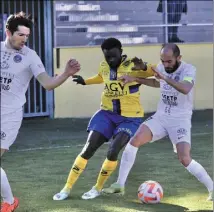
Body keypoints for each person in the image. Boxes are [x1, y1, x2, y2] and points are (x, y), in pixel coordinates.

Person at [102, 43, 213, 201]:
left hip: (180, 120)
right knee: (134, 141)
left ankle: (212, 188)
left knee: (184, 158)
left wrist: (165, 77)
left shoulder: (189, 70)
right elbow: (157, 83)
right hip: (161, 117)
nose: (165, 64)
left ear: (178, 58)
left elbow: (185, 88)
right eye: (163, 61)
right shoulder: (161, 68)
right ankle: (120, 185)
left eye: (169, 61)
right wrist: (135, 78)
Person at [53, 37, 155, 201]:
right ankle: (66, 188)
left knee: (113, 150)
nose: (110, 60)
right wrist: (85, 81)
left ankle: (97, 188)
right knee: (88, 148)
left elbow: (153, 71)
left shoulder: (132, 65)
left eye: (113, 56)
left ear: (121, 52)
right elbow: (101, 77)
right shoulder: (104, 66)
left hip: (130, 118)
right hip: (106, 114)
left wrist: (143, 66)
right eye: (107, 56)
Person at [1, 12, 80, 212]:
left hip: (9, 117)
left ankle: (9, 202)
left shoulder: (30, 56)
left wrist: (66, 73)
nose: (24, 39)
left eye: (27, 36)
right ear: (8, 32)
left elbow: (47, 84)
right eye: (20, 35)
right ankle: (9, 201)